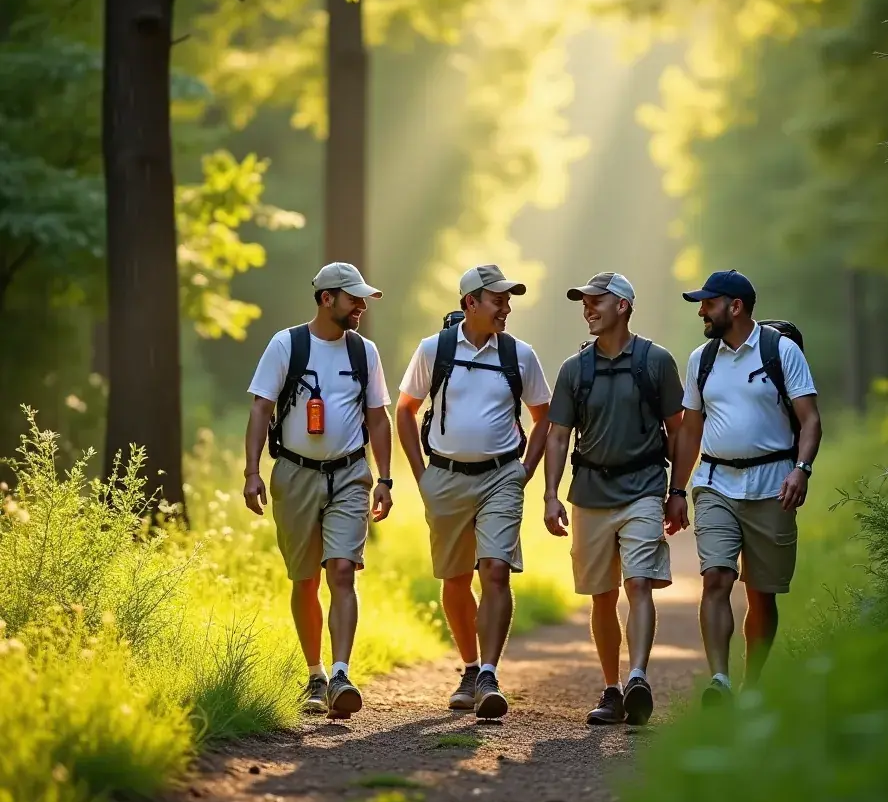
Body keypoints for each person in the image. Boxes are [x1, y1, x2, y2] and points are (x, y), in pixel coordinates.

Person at [395, 265, 551, 719]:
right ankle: (468, 667)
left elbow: (544, 418)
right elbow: (404, 411)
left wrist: (525, 470)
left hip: (501, 476)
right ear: (470, 303)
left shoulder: (520, 356)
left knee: (495, 570)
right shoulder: (434, 350)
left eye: (508, 299)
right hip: (443, 477)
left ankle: (488, 672)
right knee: (455, 578)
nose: (506, 307)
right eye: (497, 299)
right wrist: (421, 474)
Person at [243, 262, 394, 720]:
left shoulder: (364, 352)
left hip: (350, 474)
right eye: (354, 299)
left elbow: (378, 418)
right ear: (327, 298)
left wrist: (385, 479)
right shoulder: (287, 344)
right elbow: (260, 408)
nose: (361, 307)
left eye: (363, 299)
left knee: (342, 570)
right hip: (294, 474)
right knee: (305, 579)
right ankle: (315, 675)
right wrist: (251, 472)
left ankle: (343, 673)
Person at [543, 272, 687, 727]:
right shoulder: (574, 369)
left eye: (596, 301)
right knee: (601, 596)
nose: (587, 309)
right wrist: (549, 494)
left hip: (644, 487)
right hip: (589, 492)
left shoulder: (656, 362)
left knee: (639, 582)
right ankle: (611, 689)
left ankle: (638, 678)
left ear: (622, 305)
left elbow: (679, 431)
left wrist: (677, 491)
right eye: (583, 302)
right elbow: (559, 434)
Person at [672, 269, 822, 706]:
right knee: (716, 577)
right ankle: (719, 679)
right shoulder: (701, 359)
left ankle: (750, 685)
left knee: (762, 593)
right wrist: (677, 490)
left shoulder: (782, 351)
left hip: (774, 486)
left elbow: (810, 419)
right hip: (716, 483)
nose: (701, 310)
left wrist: (802, 470)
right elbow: (690, 431)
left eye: (708, 302)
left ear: (734, 307)